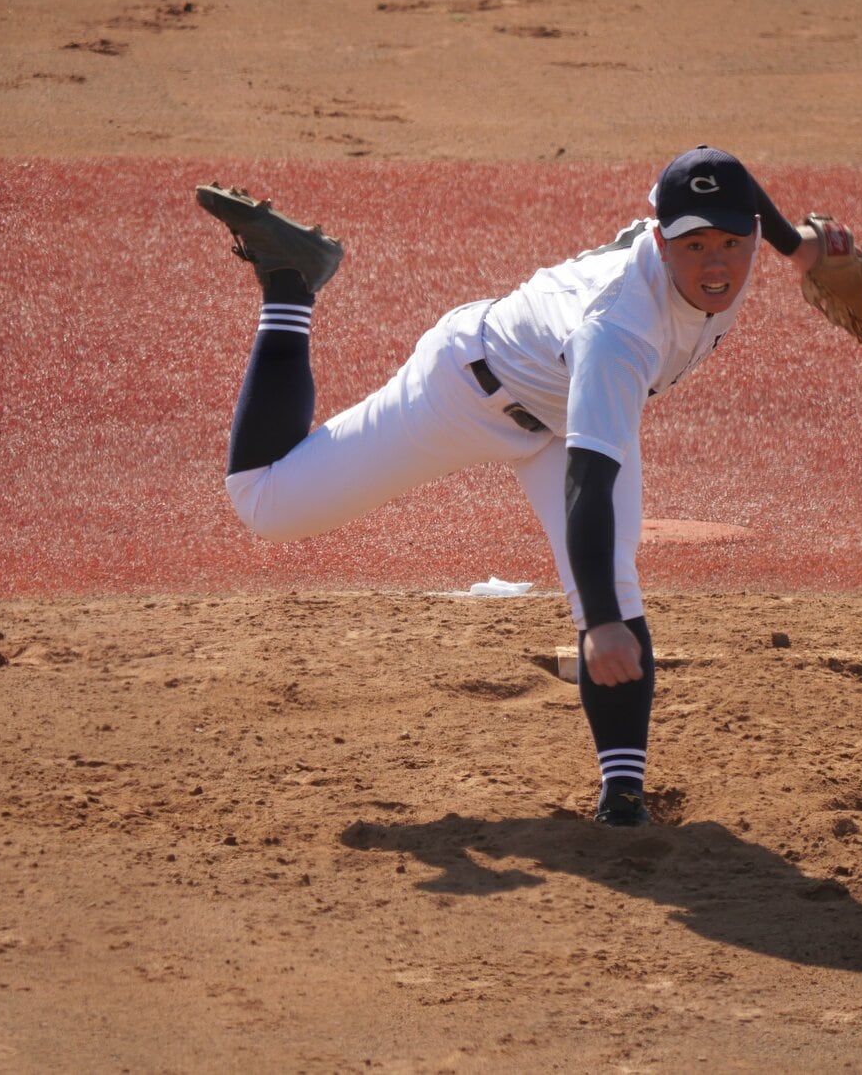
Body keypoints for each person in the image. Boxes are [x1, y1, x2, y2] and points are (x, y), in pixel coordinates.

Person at [197, 145, 823, 827]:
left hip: (562, 402)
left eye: (731, 241)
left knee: (614, 582)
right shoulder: (619, 334)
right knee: (266, 505)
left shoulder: (728, 254)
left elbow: (740, 185)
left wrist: (801, 249)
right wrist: (601, 625)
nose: (715, 264)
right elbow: (588, 484)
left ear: (753, 233)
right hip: (465, 390)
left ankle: (623, 797)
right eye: (694, 244)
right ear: (659, 239)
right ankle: (291, 283)